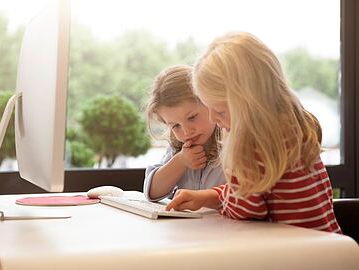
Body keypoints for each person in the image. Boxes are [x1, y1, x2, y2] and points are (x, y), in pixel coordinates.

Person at [166, 32, 341, 233]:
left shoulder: (252, 144)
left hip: (296, 257)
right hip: (328, 249)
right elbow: (254, 194)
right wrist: (209, 196)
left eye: (220, 110)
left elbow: (245, 211)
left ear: (249, 102)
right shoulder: (293, 126)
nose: (214, 119)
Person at [144, 65, 226, 202]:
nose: (187, 132)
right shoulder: (179, 148)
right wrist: (180, 161)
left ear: (209, 102)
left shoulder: (231, 141)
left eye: (192, 117)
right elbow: (152, 192)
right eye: (175, 126)